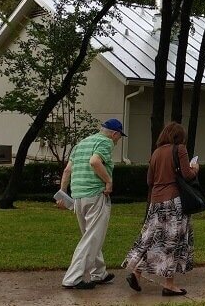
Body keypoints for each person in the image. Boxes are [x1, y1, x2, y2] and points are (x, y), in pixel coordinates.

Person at [123, 121, 199, 297]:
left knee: (151, 239)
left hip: (155, 203)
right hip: (173, 202)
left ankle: (136, 272)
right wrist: (195, 169)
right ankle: (169, 285)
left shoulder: (156, 152)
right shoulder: (179, 149)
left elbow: (149, 180)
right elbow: (187, 175)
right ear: (179, 136)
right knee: (172, 242)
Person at [57, 118, 126, 289]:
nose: (118, 140)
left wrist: (62, 193)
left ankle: (99, 273)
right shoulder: (106, 142)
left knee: (90, 236)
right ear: (114, 134)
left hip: (78, 196)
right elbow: (95, 161)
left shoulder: (81, 143)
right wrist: (108, 181)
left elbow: (67, 170)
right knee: (92, 238)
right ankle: (73, 278)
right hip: (95, 194)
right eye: (119, 137)